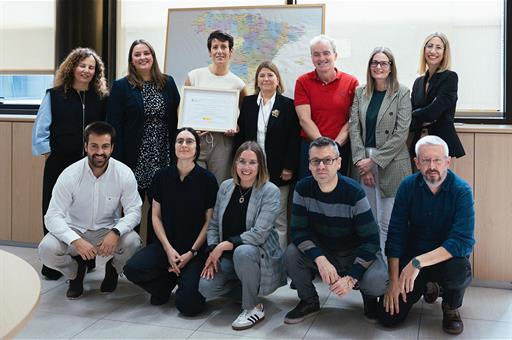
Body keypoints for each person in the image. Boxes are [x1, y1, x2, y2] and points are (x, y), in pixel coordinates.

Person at [284, 137, 388, 325]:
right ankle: (309, 301)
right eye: (316, 161)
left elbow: (371, 241)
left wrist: (351, 277)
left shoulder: (354, 192)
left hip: (354, 252)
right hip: (326, 252)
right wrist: (320, 259)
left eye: (328, 160)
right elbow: (298, 231)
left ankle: (370, 299)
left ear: (339, 163)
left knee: (378, 280)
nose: (321, 166)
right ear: (309, 165)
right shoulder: (303, 188)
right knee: (291, 253)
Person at [379, 135, 474, 335]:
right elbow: (395, 234)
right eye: (426, 160)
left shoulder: (462, 190)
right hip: (414, 256)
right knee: (388, 318)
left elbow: (462, 242)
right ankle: (429, 287)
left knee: (459, 270)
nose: (432, 166)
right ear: (417, 163)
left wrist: (417, 263)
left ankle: (450, 305)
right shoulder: (407, 186)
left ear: (448, 162)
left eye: (438, 160)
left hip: (445, 260)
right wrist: (394, 282)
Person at [38, 122, 142, 299]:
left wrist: (116, 232)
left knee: (133, 243)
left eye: (105, 146)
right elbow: (52, 216)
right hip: (75, 229)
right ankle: (75, 273)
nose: (99, 152)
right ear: (86, 146)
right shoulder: (70, 175)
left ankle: (113, 269)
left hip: (107, 231)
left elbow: (134, 211)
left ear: (112, 148)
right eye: (94, 146)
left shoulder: (124, 174)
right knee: (46, 250)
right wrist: (75, 240)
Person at [123, 127, 218, 316]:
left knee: (189, 307)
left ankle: (185, 282)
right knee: (132, 269)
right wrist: (168, 249)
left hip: (195, 251)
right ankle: (164, 286)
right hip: (165, 246)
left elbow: (210, 222)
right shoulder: (161, 176)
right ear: (173, 146)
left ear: (196, 148)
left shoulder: (207, 180)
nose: (184, 145)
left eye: (189, 141)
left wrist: (191, 252)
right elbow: (155, 216)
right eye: (179, 141)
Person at [32, 47, 108, 280]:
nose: (86, 70)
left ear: (96, 72)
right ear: (72, 67)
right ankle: (53, 264)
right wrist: (49, 154)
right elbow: (40, 131)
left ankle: (85, 258)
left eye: (91, 67)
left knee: (85, 212)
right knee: (55, 210)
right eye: (82, 65)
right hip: (60, 163)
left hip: (90, 166)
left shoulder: (101, 98)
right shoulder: (54, 95)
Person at [198, 141, 286, 331]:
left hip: (256, 255)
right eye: (242, 161)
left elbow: (259, 234)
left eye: (252, 162)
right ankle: (247, 289)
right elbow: (213, 225)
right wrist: (214, 249)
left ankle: (253, 307)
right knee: (206, 287)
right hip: (230, 256)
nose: (246, 167)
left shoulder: (270, 191)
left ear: (260, 165)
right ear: (235, 163)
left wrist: (223, 246)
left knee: (243, 252)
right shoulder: (226, 187)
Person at [107, 39, 180, 242]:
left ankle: (152, 261)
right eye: (137, 54)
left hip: (162, 157)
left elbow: (177, 119)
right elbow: (114, 127)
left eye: (146, 53)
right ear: (131, 60)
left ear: (153, 56)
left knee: (159, 212)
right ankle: (122, 262)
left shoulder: (168, 83)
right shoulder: (121, 86)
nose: (142, 57)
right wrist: (118, 163)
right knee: (132, 213)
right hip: (134, 161)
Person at [349, 47, 412, 257]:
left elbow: (401, 133)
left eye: (384, 63)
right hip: (363, 161)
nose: (379, 67)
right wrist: (362, 163)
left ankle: (390, 272)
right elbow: (354, 128)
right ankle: (373, 269)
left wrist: (374, 161)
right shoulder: (360, 92)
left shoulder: (402, 92)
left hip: (392, 163)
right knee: (370, 220)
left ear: (391, 67)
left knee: (389, 221)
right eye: (375, 63)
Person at [236, 61, 300, 250]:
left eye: (270, 75)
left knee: (278, 218)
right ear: (257, 80)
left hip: (279, 170)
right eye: (262, 75)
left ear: (277, 79)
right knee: (253, 216)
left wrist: (289, 166)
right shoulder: (248, 103)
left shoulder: (287, 105)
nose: (266, 79)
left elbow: (293, 138)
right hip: (251, 170)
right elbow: (241, 136)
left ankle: (278, 263)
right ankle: (254, 259)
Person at [184, 30, 247, 184]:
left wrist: (236, 127)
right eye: (215, 47)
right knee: (194, 185)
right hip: (197, 139)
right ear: (209, 52)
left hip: (223, 143)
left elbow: (245, 116)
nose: (219, 51)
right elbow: (182, 109)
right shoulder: (194, 76)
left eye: (224, 47)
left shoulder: (238, 84)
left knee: (220, 186)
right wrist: (188, 129)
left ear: (230, 52)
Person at [294, 35, 359, 179]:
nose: (321, 58)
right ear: (311, 58)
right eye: (316, 54)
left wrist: (334, 146)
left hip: (339, 148)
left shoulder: (351, 82)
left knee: (337, 194)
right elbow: (304, 119)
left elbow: (352, 120)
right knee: (309, 192)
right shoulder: (302, 82)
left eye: (326, 53)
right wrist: (323, 146)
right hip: (311, 148)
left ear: (335, 55)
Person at [409, 32, 465, 159]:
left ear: (445, 52)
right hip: (419, 142)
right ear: (424, 50)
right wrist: (421, 114)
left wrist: (417, 113)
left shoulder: (450, 78)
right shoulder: (418, 82)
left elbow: (433, 112)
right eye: (429, 46)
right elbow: (411, 113)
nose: (433, 51)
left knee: (440, 179)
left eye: (438, 47)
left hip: (442, 143)